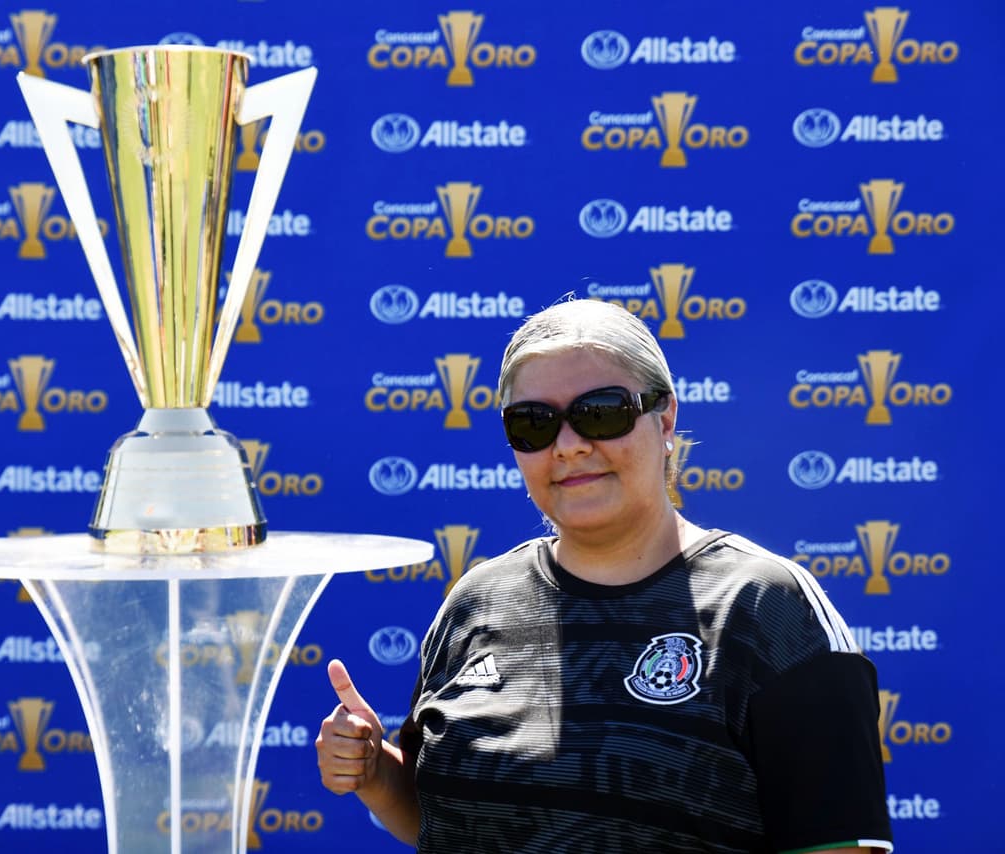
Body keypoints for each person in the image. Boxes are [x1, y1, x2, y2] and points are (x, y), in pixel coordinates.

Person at [316, 299, 892, 853]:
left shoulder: (769, 609)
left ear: (664, 417)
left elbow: (833, 844)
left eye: (600, 412)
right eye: (534, 424)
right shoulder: (476, 601)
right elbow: (440, 823)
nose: (567, 446)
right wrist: (374, 774)